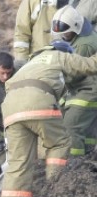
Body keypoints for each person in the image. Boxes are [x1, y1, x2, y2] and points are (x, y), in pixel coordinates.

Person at [0, 41, 97, 197]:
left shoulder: (32, 62)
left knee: (19, 161)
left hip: (10, 107)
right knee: (59, 144)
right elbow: (90, 65)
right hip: (37, 100)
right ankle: (56, 193)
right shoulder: (60, 56)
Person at [52, 6, 97, 155]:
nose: (64, 36)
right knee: (88, 131)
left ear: (76, 27)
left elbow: (76, 71)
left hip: (89, 90)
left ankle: (75, 164)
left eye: (66, 32)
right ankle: (89, 160)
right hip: (81, 88)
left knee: (71, 126)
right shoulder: (76, 35)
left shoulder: (84, 44)